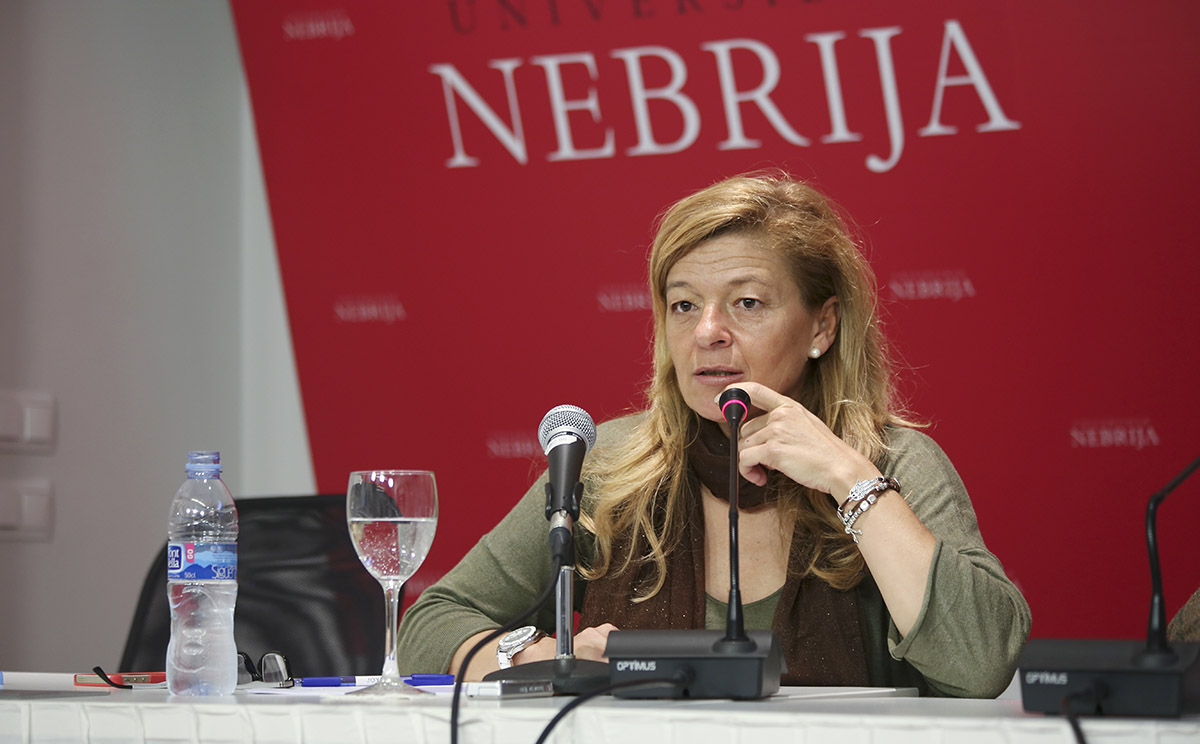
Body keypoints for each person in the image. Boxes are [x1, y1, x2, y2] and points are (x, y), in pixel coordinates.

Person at [395, 172, 1031, 697]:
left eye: (747, 303)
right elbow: (431, 622)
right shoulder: (611, 465)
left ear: (822, 327)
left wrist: (850, 479)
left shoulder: (892, 463)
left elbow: (982, 664)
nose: (706, 332)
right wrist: (540, 655)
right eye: (684, 305)